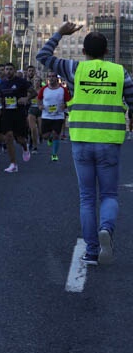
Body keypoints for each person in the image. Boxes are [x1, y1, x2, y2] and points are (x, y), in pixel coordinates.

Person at [37, 22, 133, 265]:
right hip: (110, 141)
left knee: (87, 197)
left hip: (81, 140)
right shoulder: (121, 73)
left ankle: (91, 251)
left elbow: (43, 56)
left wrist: (59, 33)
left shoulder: (74, 68)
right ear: (107, 51)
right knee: (109, 193)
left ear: (84, 51)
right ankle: (107, 229)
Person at [0, 62, 34, 173]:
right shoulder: (2, 84)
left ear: (14, 71)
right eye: (6, 69)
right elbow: (0, 98)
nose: (8, 71)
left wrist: (27, 98)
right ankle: (13, 164)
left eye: (11, 69)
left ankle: (25, 147)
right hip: (6, 114)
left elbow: (33, 92)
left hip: (19, 114)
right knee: (8, 137)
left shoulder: (21, 82)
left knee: (20, 139)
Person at [37, 73, 70, 162]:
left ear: (56, 78)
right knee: (45, 136)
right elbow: (39, 99)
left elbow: (68, 101)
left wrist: (65, 105)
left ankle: (54, 154)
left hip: (58, 116)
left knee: (56, 135)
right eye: (49, 76)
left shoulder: (63, 90)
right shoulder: (44, 89)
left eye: (53, 76)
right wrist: (40, 106)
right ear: (47, 78)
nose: (51, 78)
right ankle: (50, 138)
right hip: (46, 115)